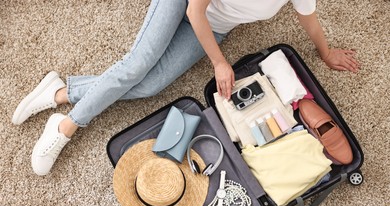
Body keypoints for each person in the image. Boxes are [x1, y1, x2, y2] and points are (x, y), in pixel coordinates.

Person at [12, 0, 359, 176]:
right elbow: (195, 10)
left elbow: (307, 16)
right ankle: (66, 125)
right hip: (188, 6)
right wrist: (219, 62)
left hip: (215, 25)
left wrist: (325, 53)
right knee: (136, 66)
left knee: (150, 86)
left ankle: (61, 92)